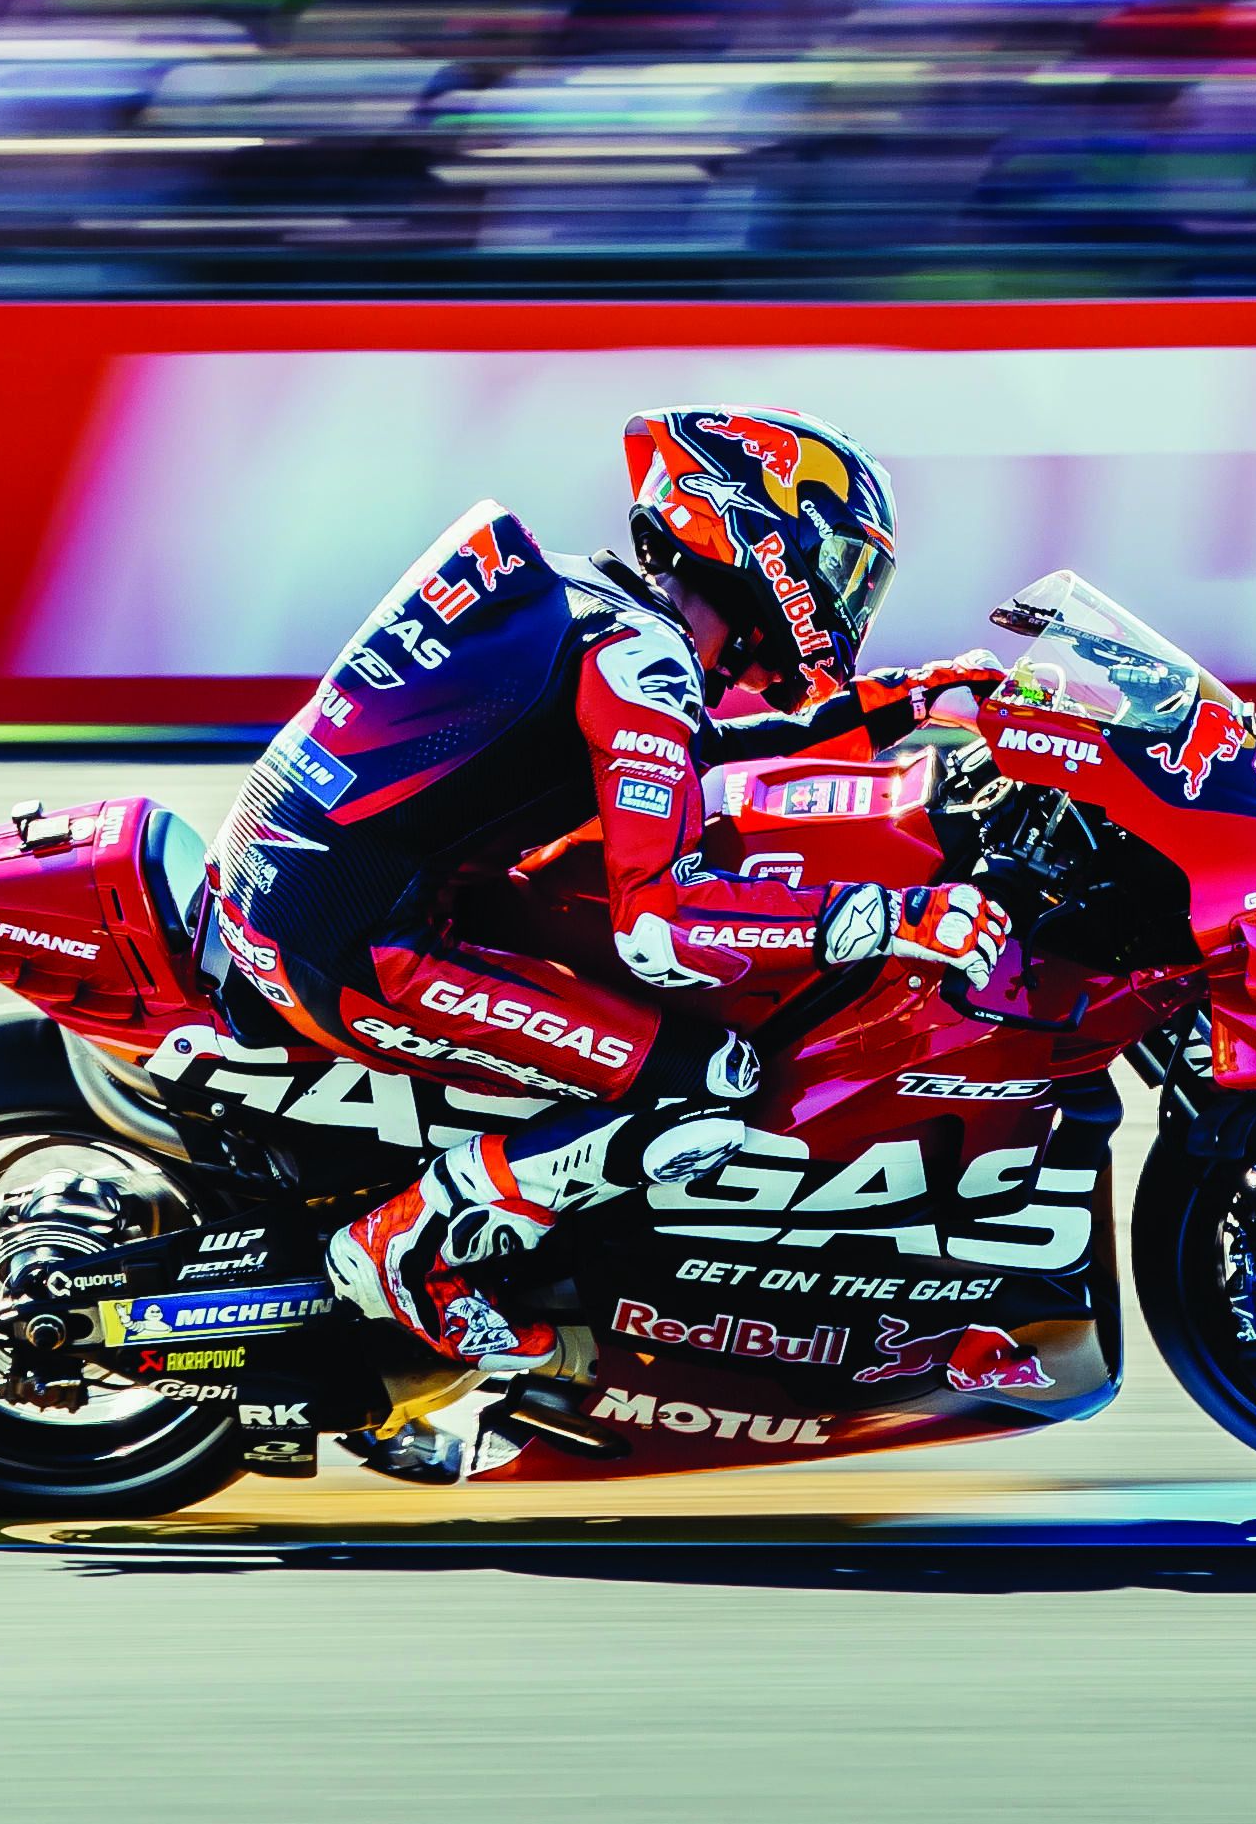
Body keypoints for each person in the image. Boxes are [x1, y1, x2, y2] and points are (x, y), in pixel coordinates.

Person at [198, 406, 1013, 1371]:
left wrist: (903, 703)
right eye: (838, 564)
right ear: (759, 531)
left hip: (311, 886)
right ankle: (402, 1250)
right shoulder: (639, 655)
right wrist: (890, 916)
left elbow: (692, 749)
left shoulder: (600, 607)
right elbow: (660, 927)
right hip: (346, 940)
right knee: (708, 1081)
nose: (844, 597)